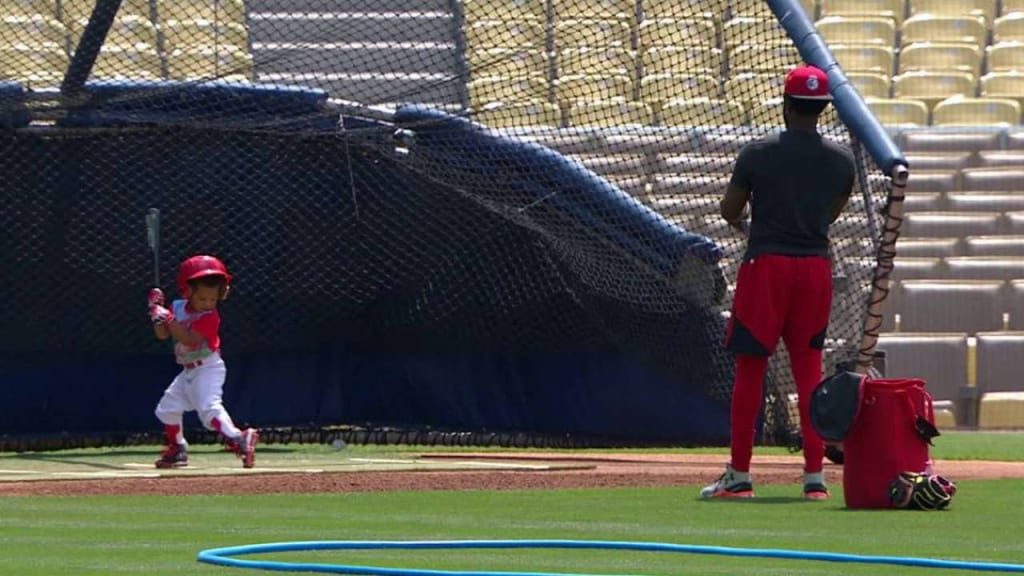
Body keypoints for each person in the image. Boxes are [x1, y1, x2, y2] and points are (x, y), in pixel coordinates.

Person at [700, 65, 855, 500]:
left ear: (786, 106)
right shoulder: (841, 160)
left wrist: (752, 224)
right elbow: (832, 212)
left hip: (767, 264)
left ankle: (739, 476)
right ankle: (814, 479)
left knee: (751, 370)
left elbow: (730, 210)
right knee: (809, 372)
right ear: (822, 109)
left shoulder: (757, 153)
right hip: (814, 268)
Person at [147, 254, 259, 469]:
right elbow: (162, 334)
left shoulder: (210, 317)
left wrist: (168, 318)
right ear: (187, 291)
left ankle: (238, 438)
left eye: (212, 299)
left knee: (209, 409)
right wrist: (155, 314)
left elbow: (188, 340)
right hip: (188, 371)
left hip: (208, 367)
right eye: (202, 298)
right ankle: (177, 449)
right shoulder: (178, 307)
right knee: (167, 409)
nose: (208, 303)